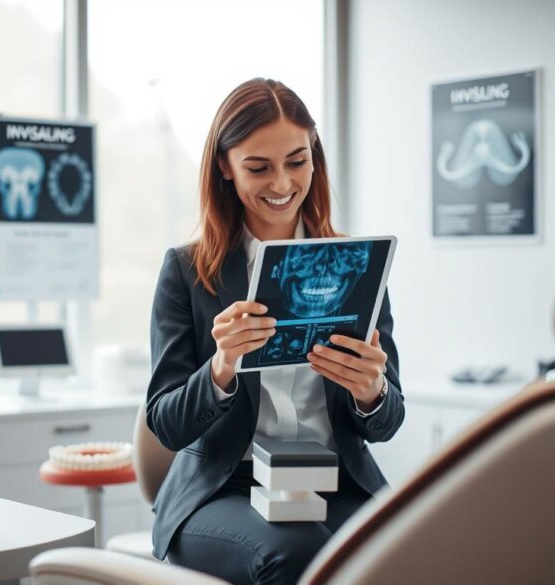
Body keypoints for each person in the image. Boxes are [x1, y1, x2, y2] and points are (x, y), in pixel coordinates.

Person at [146, 78, 405, 585]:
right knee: (298, 553)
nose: (282, 183)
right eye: (258, 167)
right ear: (224, 166)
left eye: (297, 161)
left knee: (402, 548)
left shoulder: (357, 265)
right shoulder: (187, 271)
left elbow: (387, 423)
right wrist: (221, 367)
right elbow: (166, 424)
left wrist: (371, 391)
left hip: (336, 481)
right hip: (223, 491)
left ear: (314, 156)